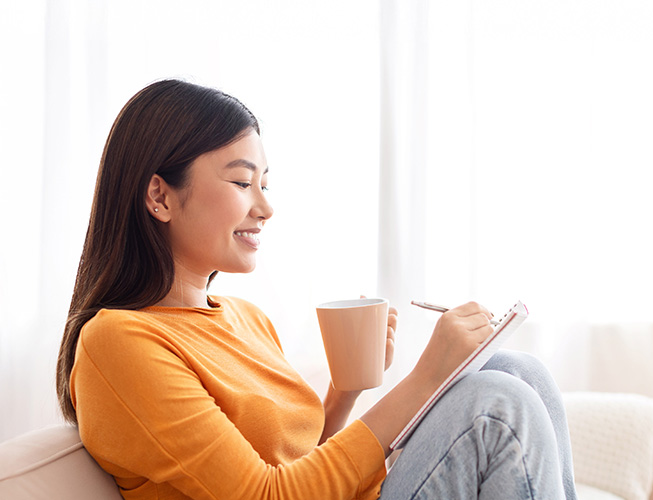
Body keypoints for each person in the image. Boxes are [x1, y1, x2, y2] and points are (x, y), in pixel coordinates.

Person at [54, 79, 577, 500]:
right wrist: (425, 377)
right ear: (159, 196)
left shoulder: (244, 316)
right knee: (496, 403)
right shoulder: (119, 343)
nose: (265, 206)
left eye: (265, 182)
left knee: (519, 372)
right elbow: (266, 495)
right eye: (241, 183)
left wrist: (345, 389)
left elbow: (306, 462)